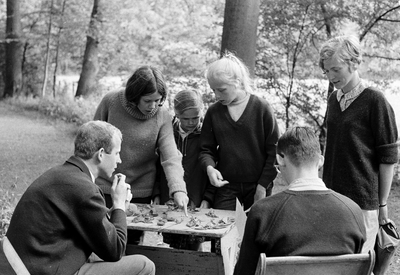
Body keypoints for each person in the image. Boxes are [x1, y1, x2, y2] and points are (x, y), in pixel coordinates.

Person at [6, 121, 155, 275]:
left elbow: (92, 227)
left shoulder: (63, 174)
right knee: (144, 265)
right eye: (117, 153)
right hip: (42, 269)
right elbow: (115, 250)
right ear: (101, 154)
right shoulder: (84, 189)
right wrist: (118, 205)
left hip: (28, 262)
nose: (120, 160)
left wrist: (116, 210)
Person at [233, 126, 366, 275]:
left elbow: (244, 272)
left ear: (280, 159)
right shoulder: (353, 211)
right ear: (320, 160)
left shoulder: (262, 212)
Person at [319, 35, 399, 253]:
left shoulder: (375, 100)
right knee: (334, 262)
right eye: (326, 71)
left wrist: (382, 205)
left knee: (359, 263)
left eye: (336, 69)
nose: (330, 76)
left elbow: (388, 159)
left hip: (363, 202)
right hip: (332, 197)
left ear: (354, 63)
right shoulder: (333, 100)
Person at [94, 65, 189, 243]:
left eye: (157, 100)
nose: (152, 106)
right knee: (101, 242)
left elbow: (170, 157)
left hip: (139, 191)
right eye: (147, 100)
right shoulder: (111, 102)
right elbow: (92, 139)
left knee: (131, 244)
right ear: (135, 95)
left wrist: (178, 190)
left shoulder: (161, 115)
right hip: (105, 187)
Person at [199, 52, 280, 211]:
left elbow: (275, 151)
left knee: (257, 233)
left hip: (258, 186)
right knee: (222, 232)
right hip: (226, 186)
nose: (216, 95)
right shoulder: (214, 112)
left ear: (237, 82)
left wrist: (263, 185)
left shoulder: (261, 108)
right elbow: (205, 149)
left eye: (221, 90)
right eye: (213, 90)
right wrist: (209, 168)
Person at [153, 89, 215, 250]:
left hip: (197, 197)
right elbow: (157, 166)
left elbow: (214, 167)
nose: (191, 122)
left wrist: (208, 197)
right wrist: (157, 193)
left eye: (195, 117)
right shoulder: (167, 134)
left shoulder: (207, 136)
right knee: (175, 242)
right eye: (186, 119)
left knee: (194, 241)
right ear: (177, 115)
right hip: (170, 197)